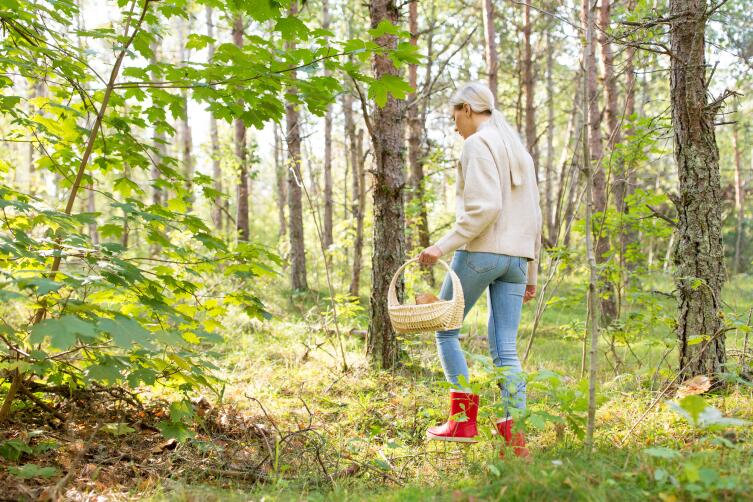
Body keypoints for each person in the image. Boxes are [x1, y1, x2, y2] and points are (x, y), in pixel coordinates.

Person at [417, 82, 541, 458]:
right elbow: (534, 216)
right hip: (518, 261)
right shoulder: (518, 150)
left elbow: (484, 208)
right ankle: (514, 436)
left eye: (455, 117)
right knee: (506, 349)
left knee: (445, 329)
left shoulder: (477, 144)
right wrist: (531, 274)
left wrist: (441, 245)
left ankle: (462, 420)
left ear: (468, 109)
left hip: (481, 253)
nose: (455, 127)